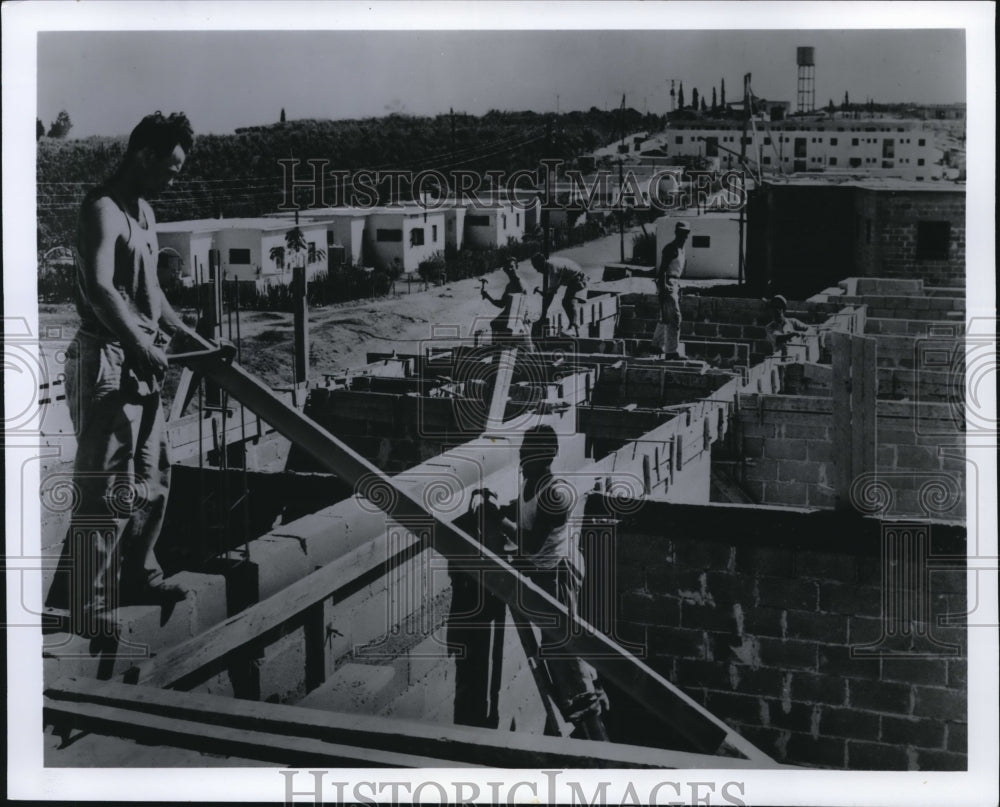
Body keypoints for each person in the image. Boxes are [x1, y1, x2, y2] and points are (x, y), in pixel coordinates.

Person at [48, 111, 202, 638]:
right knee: (106, 486)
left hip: (142, 361)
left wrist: (186, 334)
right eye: (170, 169)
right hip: (106, 361)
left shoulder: (145, 212)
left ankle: (139, 575)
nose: (173, 180)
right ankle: (85, 603)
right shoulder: (102, 209)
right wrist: (138, 343)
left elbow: (150, 293)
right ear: (144, 155)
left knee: (152, 479)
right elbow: (99, 287)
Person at [492, 424, 609, 738]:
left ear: (549, 455)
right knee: (558, 646)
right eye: (523, 450)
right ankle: (586, 704)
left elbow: (531, 543)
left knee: (562, 647)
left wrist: (497, 520)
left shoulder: (555, 494)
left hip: (558, 574)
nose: (522, 457)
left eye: (529, 452)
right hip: (544, 570)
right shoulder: (530, 480)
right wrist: (502, 510)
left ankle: (593, 719)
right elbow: (522, 513)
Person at [628, 220, 690, 359]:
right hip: (668, 283)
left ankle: (656, 345)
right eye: (681, 232)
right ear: (676, 233)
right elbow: (662, 271)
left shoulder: (681, 249)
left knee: (666, 315)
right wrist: (663, 289)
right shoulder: (671, 249)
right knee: (675, 318)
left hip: (675, 283)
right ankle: (671, 352)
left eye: (685, 233)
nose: (683, 235)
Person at [530, 252, 589, 336]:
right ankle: (574, 328)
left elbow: (551, 294)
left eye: (537, 268)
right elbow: (550, 292)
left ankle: (573, 327)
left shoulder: (553, 269)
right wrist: (544, 293)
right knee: (566, 302)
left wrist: (543, 316)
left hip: (579, 279)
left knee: (568, 302)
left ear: (542, 263)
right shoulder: (550, 265)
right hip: (575, 278)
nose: (537, 271)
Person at [481, 258, 527, 339]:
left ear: (516, 266)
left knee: (495, 325)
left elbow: (517, 306)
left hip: (513, 319)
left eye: (511, 267)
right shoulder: (511, 286)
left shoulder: (519, 284)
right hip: (513, 318)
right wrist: (487, 296)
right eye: (507, 268)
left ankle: (498, 344)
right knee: (494, 324)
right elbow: (501, 304)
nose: (509, 269)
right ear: (505, 271)